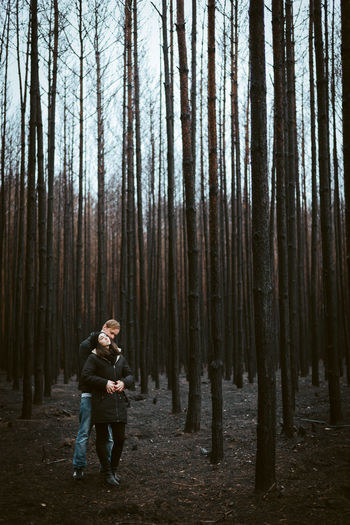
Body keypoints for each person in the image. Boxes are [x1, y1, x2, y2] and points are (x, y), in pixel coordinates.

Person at [81, 330, 134, 486]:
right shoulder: (93, 358)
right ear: (97, 343)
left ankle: (114, 469)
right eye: (101, 337)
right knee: (103, 439)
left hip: (119, 403)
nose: (105, 338)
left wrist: (124, 382)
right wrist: (104, 383)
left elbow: (130, 375)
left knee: (119, 439)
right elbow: (86, 376)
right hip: (102, 403)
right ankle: (107, 472)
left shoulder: (120, 357)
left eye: (106, 336)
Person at [72, 319, 120, 480]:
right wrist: (104, 381)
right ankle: (78, 467)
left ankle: (106, 467)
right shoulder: (86, 346)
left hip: (105, 397)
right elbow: (87, 374)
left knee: (109, 435)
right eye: (111, 333)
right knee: (84, 432)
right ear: (104, 327)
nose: (112, 337)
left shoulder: (110, 347)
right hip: (89, 395)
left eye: (114, 335)